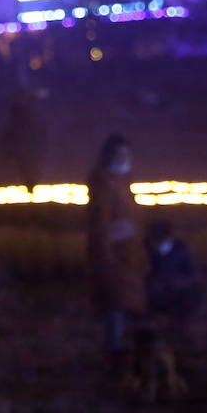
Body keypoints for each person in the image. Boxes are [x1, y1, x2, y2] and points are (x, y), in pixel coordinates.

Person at [85, 135, 146, 386]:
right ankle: (114, 362)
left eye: (127, 154)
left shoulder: (120, 182)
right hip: (113, 259)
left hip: (127, 258)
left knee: (123, 307)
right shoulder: (104, 185)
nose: (125, 160)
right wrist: (108, 255)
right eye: (119, 155)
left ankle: (126, 363)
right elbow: (100, 225)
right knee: (114, 308)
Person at [142, 219, 200, 401]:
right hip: (151, 300)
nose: (158, 243)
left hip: (177, 300)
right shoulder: (144, 250)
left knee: (176, 335)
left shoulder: (181, 251)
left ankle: (178, 363)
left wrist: (176, 284)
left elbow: (193, 277)